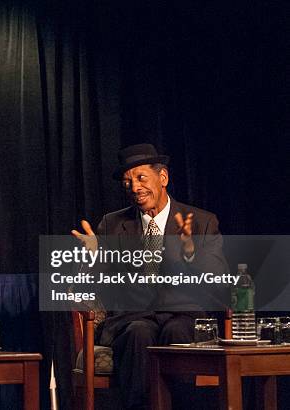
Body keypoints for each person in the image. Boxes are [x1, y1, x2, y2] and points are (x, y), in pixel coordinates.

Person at [71, 143, 228, 410]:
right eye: (127, 182)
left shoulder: (201, 221)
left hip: (185, 316)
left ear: (163, 177)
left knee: (177, 331)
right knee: (139, 333)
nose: (134, 188)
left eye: (141, 178)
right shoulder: (112, 224)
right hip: (132, 318)